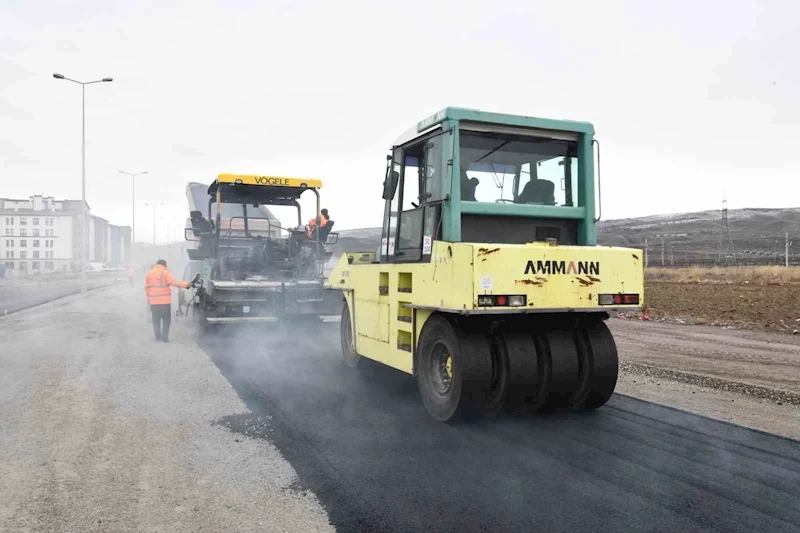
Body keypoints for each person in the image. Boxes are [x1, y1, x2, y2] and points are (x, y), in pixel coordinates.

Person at [144, 259, 194, 343]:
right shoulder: (165, 273)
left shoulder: (149, 273)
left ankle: (157, 337)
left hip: (154, 302)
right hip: (164, 303)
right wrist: (186, 285)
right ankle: (165, 337)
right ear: (164, 265)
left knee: (156, 320)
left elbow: (147, 288)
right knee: (166, 320)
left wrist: (149, 299)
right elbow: (174, 283)